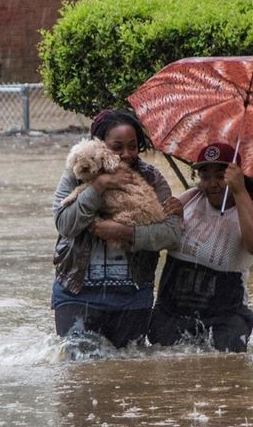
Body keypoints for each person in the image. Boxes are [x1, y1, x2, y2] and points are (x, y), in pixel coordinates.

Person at [51, 109, 183, 349]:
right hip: (76, 291)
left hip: (132, 296)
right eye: (117, 147)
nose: (126, 154)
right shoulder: (77, 171)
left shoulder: (152, 178)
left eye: (133, 146)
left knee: (126, 375)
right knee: (79, 370)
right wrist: (99, 186)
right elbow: (64, 224)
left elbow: (173, 234)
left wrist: (126, 233)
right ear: (99, 145)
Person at [147, 142, 253, 352]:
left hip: (225, 318)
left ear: (236, 175)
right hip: (171, 313)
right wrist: (172, 213)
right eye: (206, 177)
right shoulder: (190, 199)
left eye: (221, 176)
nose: (213, 183)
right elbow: (154, 234)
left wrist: (240, 191)